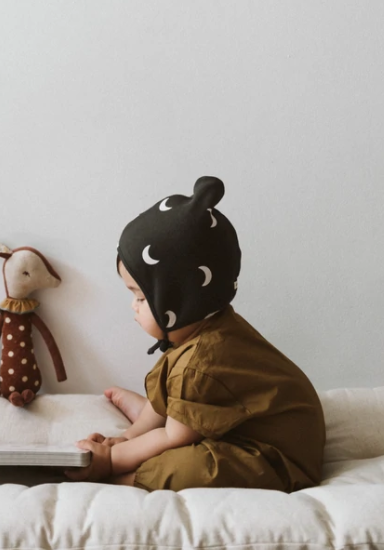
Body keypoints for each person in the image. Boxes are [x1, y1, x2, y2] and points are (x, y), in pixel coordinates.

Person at [65, 176, 326, 492]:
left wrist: (112, 461)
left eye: (141, 297)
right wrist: (124, 440)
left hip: (275, 454)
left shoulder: (202, 361)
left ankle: (129, 480)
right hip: (233, 421)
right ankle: (152, 419)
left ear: (180, 301)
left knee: (190, 466)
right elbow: (170, 394)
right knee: (167, 402)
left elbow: (171, 438)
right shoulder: (200, 331)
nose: (133, 307)